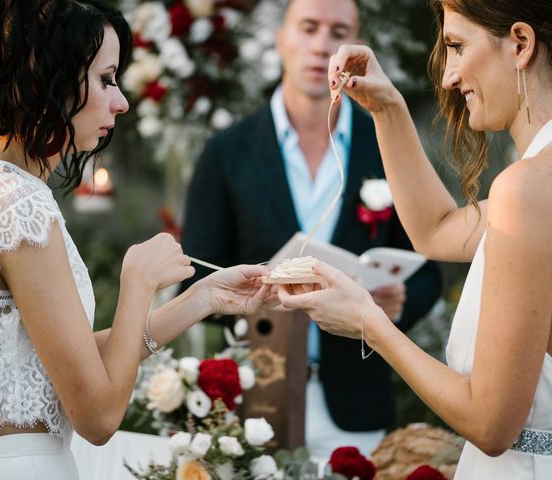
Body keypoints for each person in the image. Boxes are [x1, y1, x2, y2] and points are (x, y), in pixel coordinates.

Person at [277, 0, 552, 478]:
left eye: (457, 46)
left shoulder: (529, 189)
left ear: (521, 44)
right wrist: (387, 108)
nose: (448, 77)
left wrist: (368, 321)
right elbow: (435, 231)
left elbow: (491, 425)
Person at [0, 1, 271, 478]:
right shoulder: (17, 202)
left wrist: (203, 298)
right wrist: (139, 281)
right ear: (51, 77)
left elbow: (55, 365)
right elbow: (98, 417)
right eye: (105, 79)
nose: (121, 101)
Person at [180, 0, 442, 458]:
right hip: (255, 398)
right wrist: (261, 292)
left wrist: (397, 303)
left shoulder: (385, 145)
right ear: (281, 38)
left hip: (357, 403)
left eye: (338, 31)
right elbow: (195, 279)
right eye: (308, 27)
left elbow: (428, 271)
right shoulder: (225, 152)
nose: (322, 46)